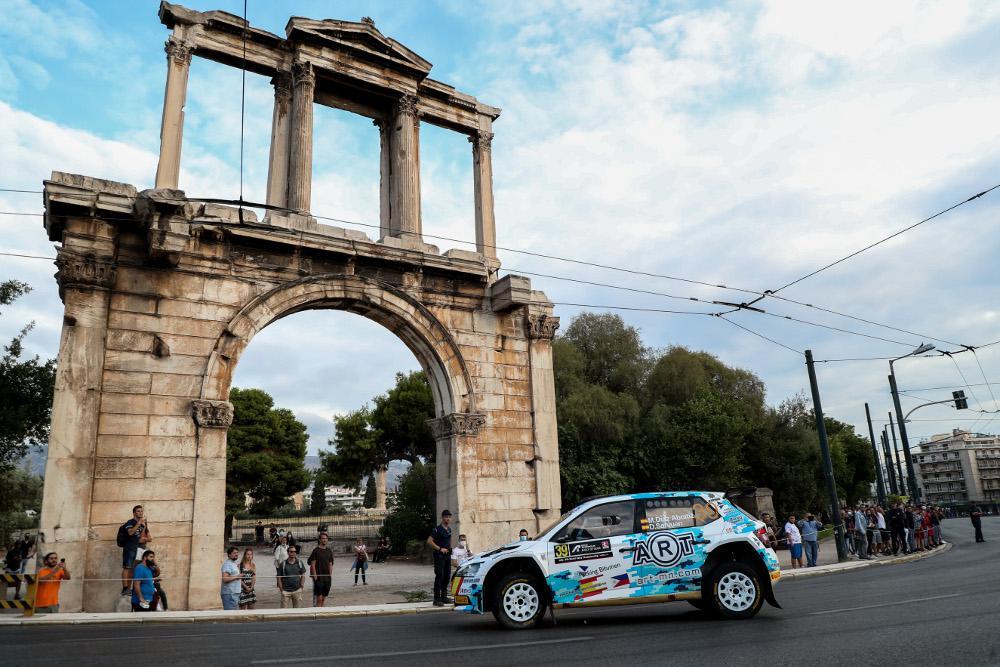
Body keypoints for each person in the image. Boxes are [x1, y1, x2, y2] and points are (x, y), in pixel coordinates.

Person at [121, 505, 151, 597]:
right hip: (130, 548)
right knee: (127, 567)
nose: (140, 513)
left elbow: (148, 538)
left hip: (139, 549)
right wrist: (138, 524)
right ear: (134, 513)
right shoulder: (130, 522)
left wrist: (144, 527)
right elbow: (130, 532)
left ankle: (131, 589)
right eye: (138, 511)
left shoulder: (143, 524)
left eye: (141, 511)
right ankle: (125, 589)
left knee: (135, 570)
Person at [427, 509, 453, 606]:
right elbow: (429, 541)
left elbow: (449, 541)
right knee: (440, 576)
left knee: (447, 576)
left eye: (449, 517)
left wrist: (450, 549)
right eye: (446, 517)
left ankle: (444, 597)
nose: (448, 519)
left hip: (447, 556)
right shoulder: (437, 529)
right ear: (442, 518)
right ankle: (436, 599)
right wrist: (439, 548)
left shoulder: (449, 529)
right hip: (439, 556)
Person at [307, 532, 334, 607]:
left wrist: (330, 575)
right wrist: (315, 576)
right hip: (319, 578)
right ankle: (318, 611)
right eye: (323, 538)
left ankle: (322, 611)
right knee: (319, 598)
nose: (325, 540)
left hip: (327, 578)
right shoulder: (316, 550)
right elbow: (313, 564)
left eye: (326, 538)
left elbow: (330, 564)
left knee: (323, 599)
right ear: (319, 540)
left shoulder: (329, 550)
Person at [221, 546, 241, 610]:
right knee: (230, 614)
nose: (236, 554)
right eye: (234, 553)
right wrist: (237, 577)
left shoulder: (233, 564)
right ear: (229, 555)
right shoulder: (227, 564)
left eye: (237, 553)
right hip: (229, 594)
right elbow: (225, 579)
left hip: (234, 593)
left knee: (234, 614)